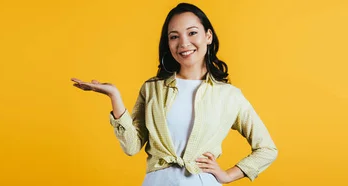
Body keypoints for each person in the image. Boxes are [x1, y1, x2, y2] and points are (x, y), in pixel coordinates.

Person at [71, 3, 277, 186]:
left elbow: (267, 149)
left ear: (208, 36)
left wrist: (227, 175)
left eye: (192, 33)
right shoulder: (152, 89)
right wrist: (114, 96)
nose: (183, 43)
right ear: (168, 44)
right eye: (174, 36)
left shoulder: (229, 96)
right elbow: (132, 147)